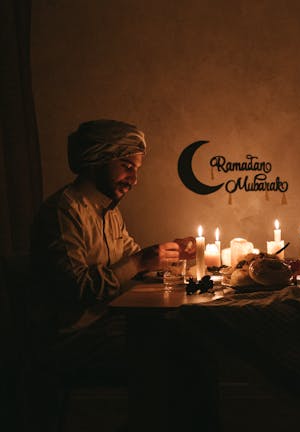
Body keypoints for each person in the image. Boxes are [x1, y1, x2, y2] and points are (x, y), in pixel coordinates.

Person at [30, 118, 194, 378]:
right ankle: (155, 418)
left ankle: (157, 418)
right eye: (127, 167)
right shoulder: (63, 211)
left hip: (106, 327)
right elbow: (80, 290)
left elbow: (133, 263)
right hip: (74, 343)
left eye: (136, 169)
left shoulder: (109, 211)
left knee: (188, 339)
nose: (134, 179)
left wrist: (171, 256)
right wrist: (141, 261)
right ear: (97, 159)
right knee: (180, 357)